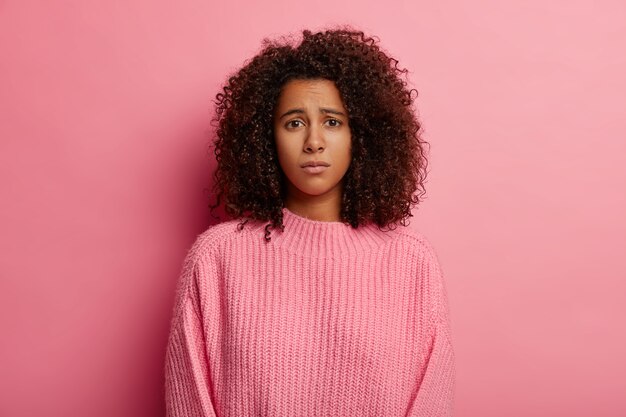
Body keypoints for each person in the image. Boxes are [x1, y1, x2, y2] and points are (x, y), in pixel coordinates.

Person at [164, 27, 455, 417]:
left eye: (333, 122)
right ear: (266, 138)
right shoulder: (218, 259)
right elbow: (190, 399)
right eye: (294, 122)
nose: (314, 141)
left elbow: (431, 403)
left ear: (361, 136)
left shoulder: (412, 263)